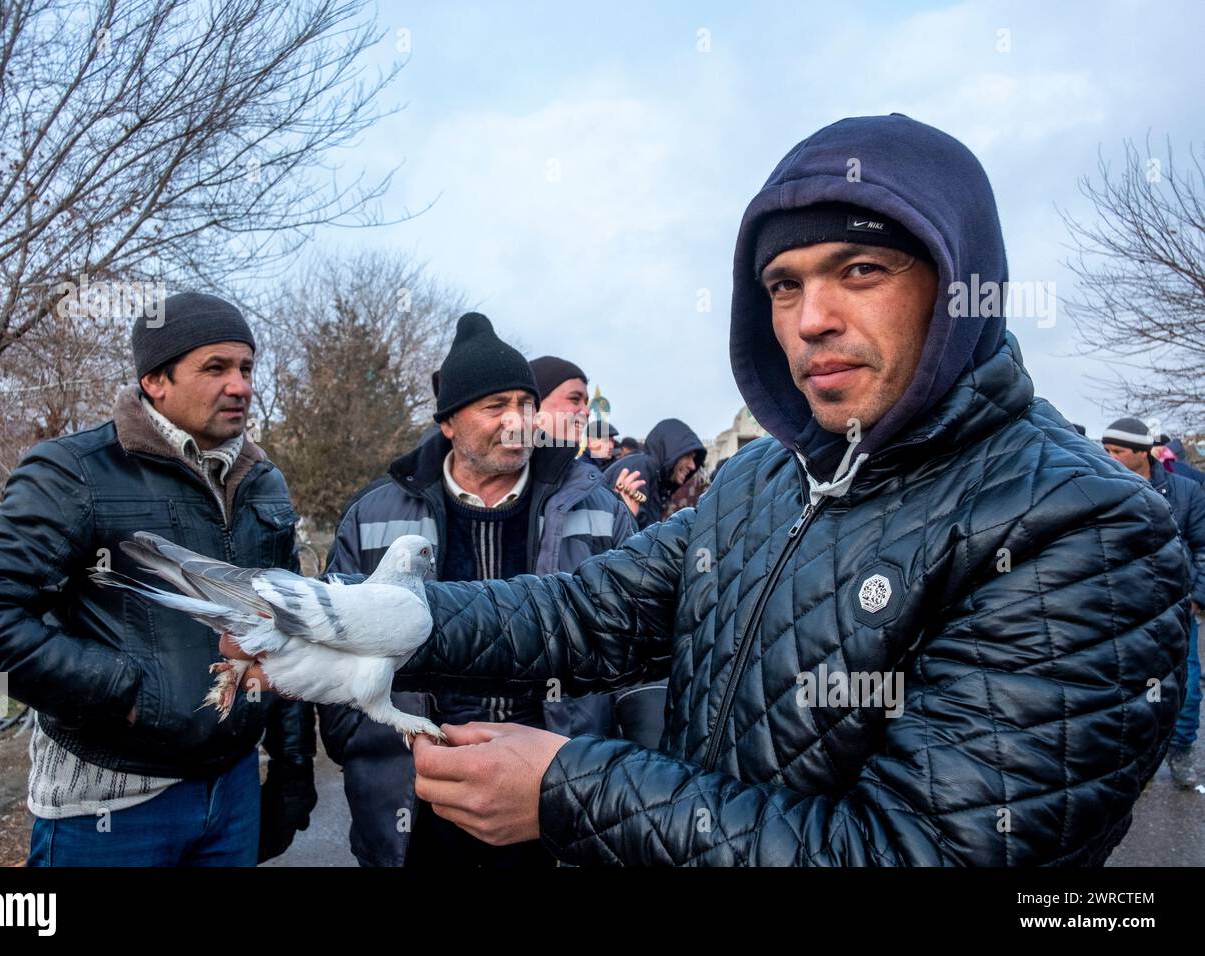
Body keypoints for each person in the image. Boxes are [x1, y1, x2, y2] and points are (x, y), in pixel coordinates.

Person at [231, 114, 1191, 866]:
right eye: (782, 284)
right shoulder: (768, 476)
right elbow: (589, 612)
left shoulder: (1084, 529)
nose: (811, 318)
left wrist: (570, 790)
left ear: (957, 280)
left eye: (861, 270)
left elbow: (919, 850)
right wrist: (396, 622)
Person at [0, 292, 316, 866]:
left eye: (245, 367)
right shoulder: (74, 471)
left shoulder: (261, 481)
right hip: (110, 806)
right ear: (155, 381)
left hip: (233, 792)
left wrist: (292, 767)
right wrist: (126, 690)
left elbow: (285, 635)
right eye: (215, 368)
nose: (240, 385)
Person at [317, 312, 640, 867]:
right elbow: (334, 647)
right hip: (419, 798)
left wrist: (616, 778)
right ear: (448, 423)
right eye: (496, 407)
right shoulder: (372, 517)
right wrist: (370, 751)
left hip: (554, 792)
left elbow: (641, 654)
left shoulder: (599, 511)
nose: (517, 421)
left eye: (526, 404)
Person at [1103, 418, 1204, 788]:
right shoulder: (1101, 488)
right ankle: (1132, 761)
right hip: (1118, 609)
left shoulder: (1186, 491)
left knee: (1187, 684)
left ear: (1143, 452)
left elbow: (1203, 546)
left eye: (1118, 451)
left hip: (1175, 607)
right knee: (1120, 688)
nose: (1109, 456)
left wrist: (1197, 597)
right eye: (1106, 449)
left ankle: (1181, 750)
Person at [610, 419, 707, 528]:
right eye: (688, 456)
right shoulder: (641, 469)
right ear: (672, 450)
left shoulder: (655, 478)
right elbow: (629, 535)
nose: (693, 466)